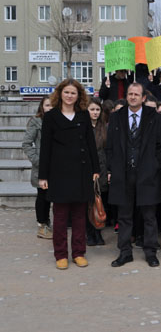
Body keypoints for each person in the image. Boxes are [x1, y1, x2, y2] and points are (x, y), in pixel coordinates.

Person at [38, 79, 100, 270]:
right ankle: (61, 255)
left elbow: (91, 144)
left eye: (73, 93)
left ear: (78, 95)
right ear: (60, 94)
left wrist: (96, 169)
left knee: (80, 216)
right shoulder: (51, 117)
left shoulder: (83, 115)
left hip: (82, 172)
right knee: (61, 217)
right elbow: (45, 148)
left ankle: (79, 253)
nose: (70, 96)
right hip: (59, 173)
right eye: (67, 92)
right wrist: (43, 176)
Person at [107, 83, 161, 268]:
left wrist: (154, 166)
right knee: (124, 216)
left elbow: (160, 146)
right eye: (130, 94)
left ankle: (150, 252)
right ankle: (125, 252)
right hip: (123, 175)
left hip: (148, 175)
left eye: (136, 94)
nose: (132, 97)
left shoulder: (155, 118)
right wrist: (112, 169)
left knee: (149, 217)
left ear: (143, 98)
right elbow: (110, 146)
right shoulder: (116, 117)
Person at [22, 96, 53, 239]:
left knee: (54, 196)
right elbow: (26, 144)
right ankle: (42, 224)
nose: (50, 108)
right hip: (41, 166)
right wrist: (37, 160)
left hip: (57, 166)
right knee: (43, 196)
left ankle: (49, 223)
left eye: (53, 105)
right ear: (42, 107)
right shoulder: (36, 122)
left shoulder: (58, 121)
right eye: (47, 105)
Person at [85, 97, 108, 247]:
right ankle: (89, 233)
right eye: (92, 109)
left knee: (100, 203)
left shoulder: (105, 128)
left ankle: (98, 232)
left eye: (97, 109)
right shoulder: (82, 127)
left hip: (102, 170)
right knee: (88, 204)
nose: (95, 112)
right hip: (87, 170)